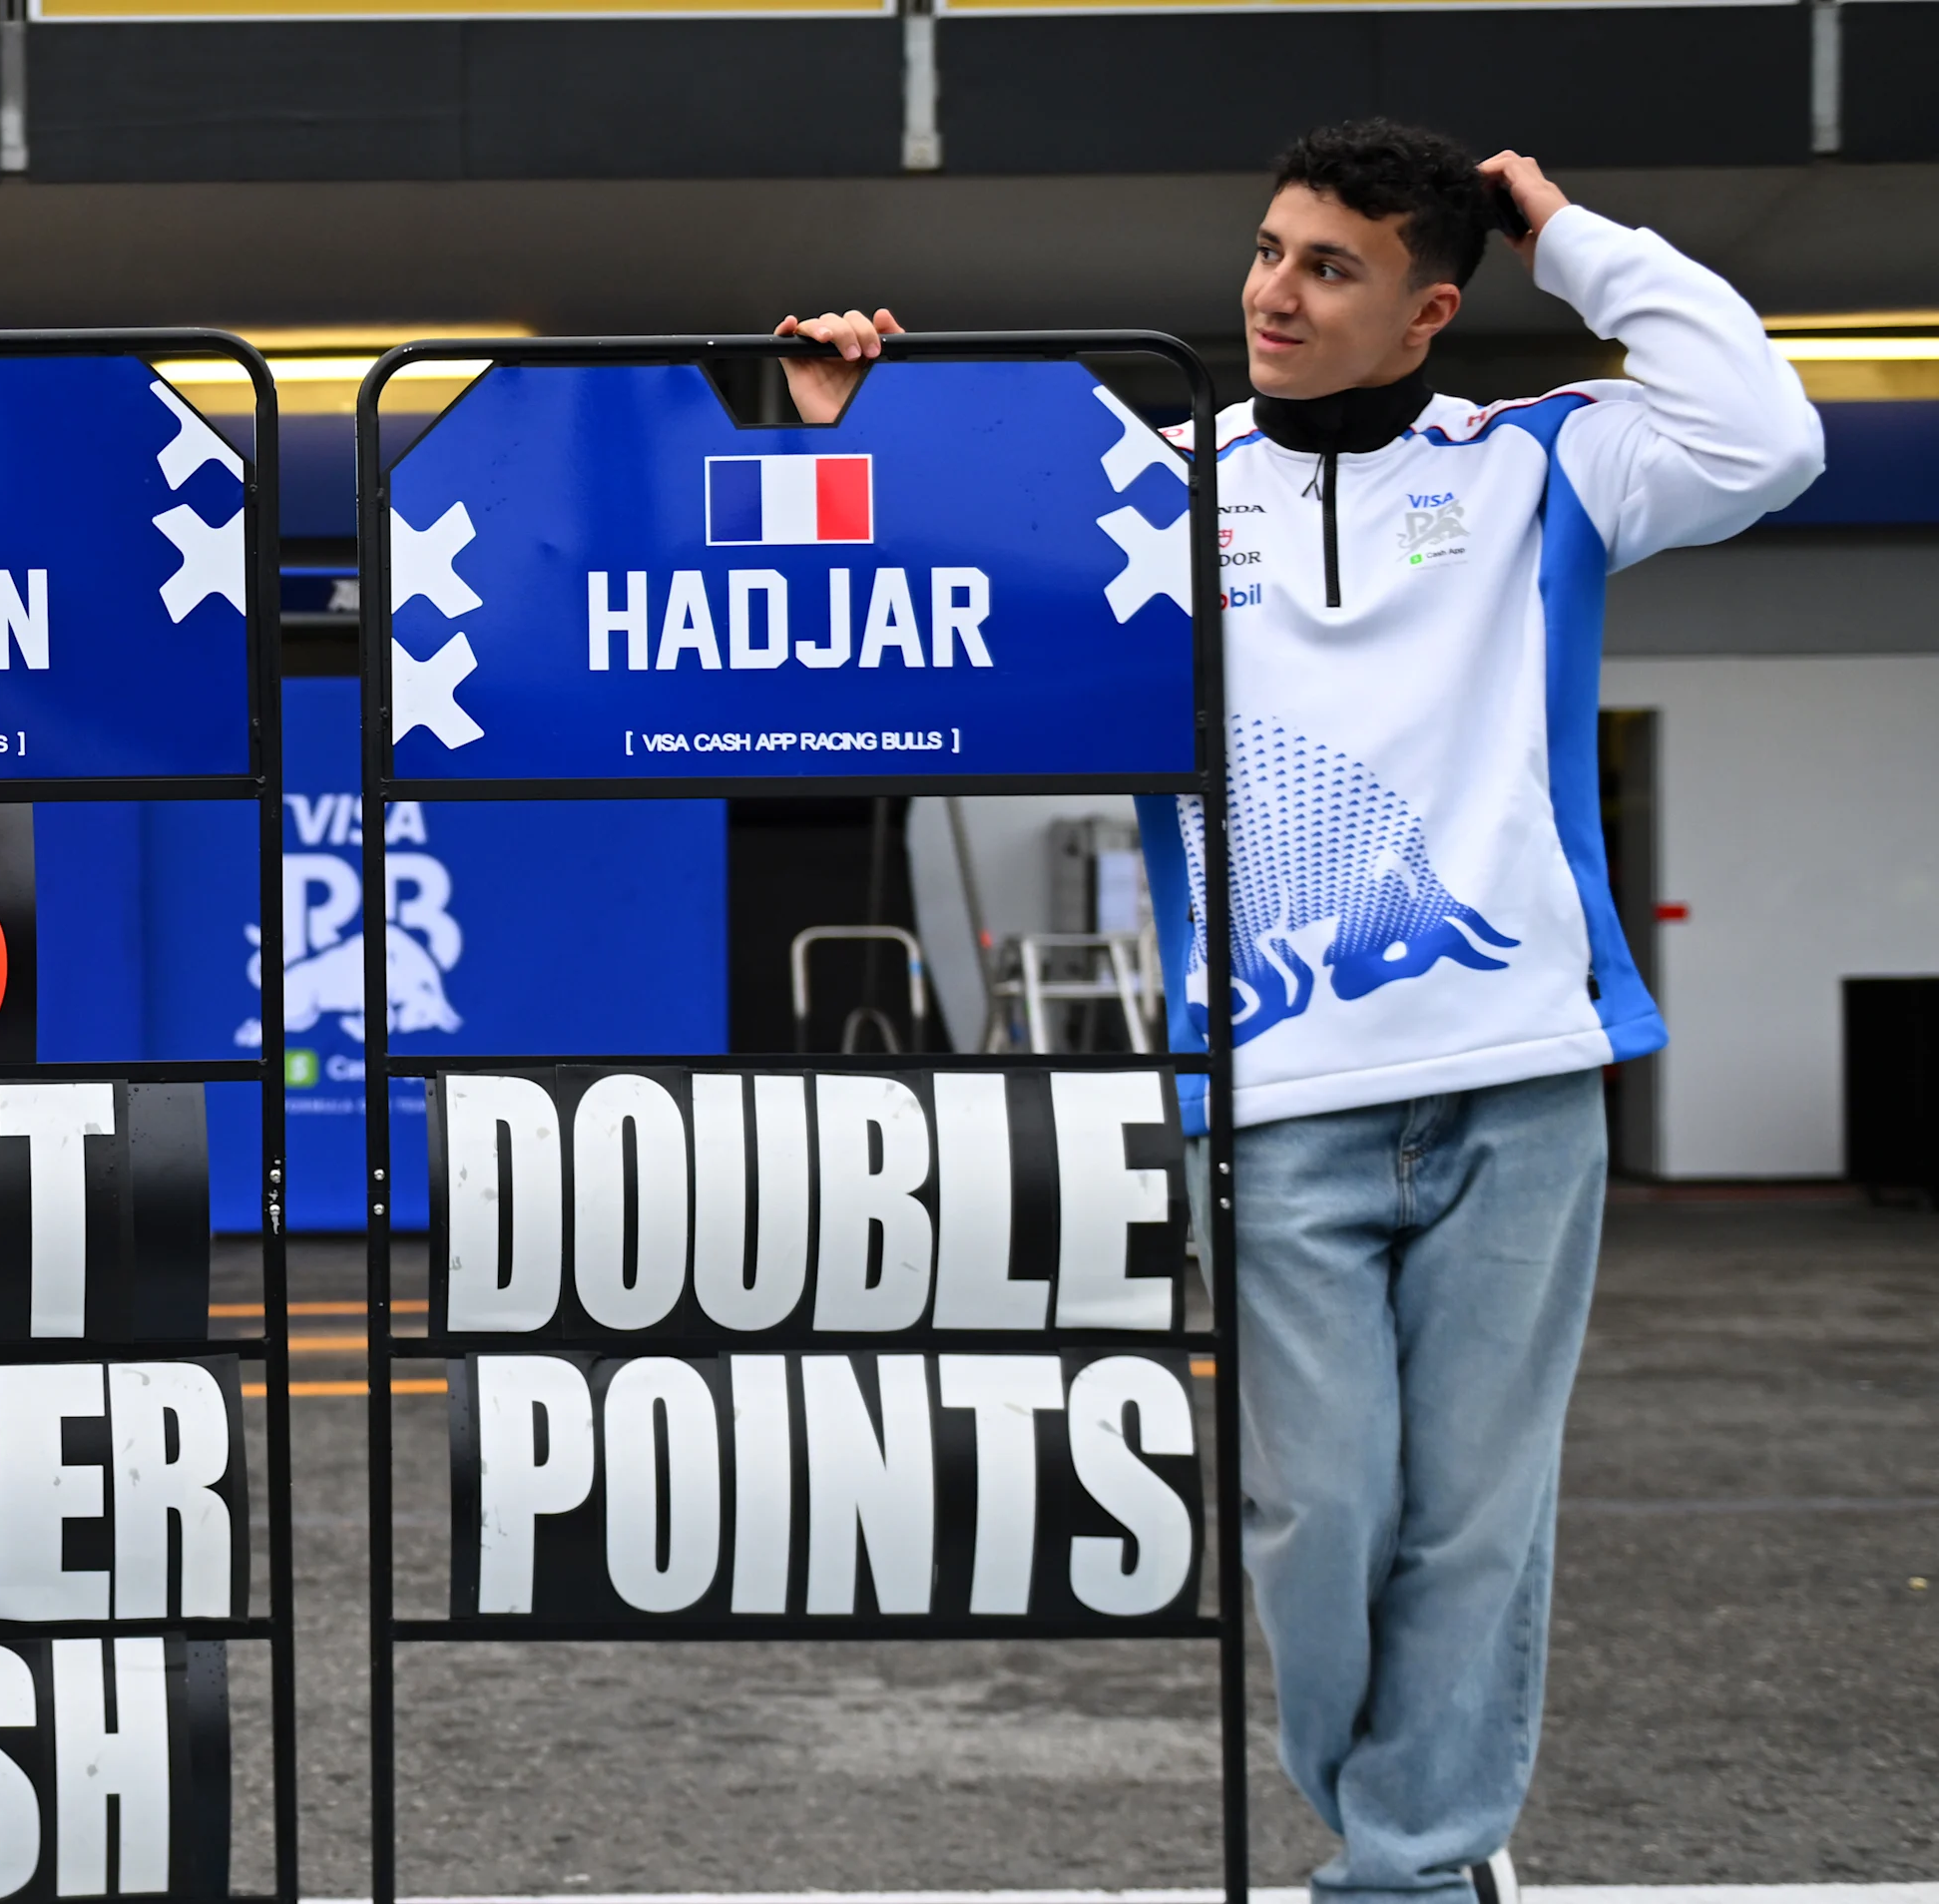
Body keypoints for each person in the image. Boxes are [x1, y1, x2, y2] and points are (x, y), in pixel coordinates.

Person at [778, 121, 1820, 1904]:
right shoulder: (1149, 489)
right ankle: (1400, 1825)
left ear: (1428, 313)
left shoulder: (1541, 466)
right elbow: (907, 589)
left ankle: (1409, 1863)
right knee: (1316, 1511)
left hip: (1521, 1078)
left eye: (1331, 267)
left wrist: (1570, 237)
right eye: (1269, 249)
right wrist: (837, 432)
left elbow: (1768, 434)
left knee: (1478, 1520)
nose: (1275, 292)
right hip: (1273, 1097)